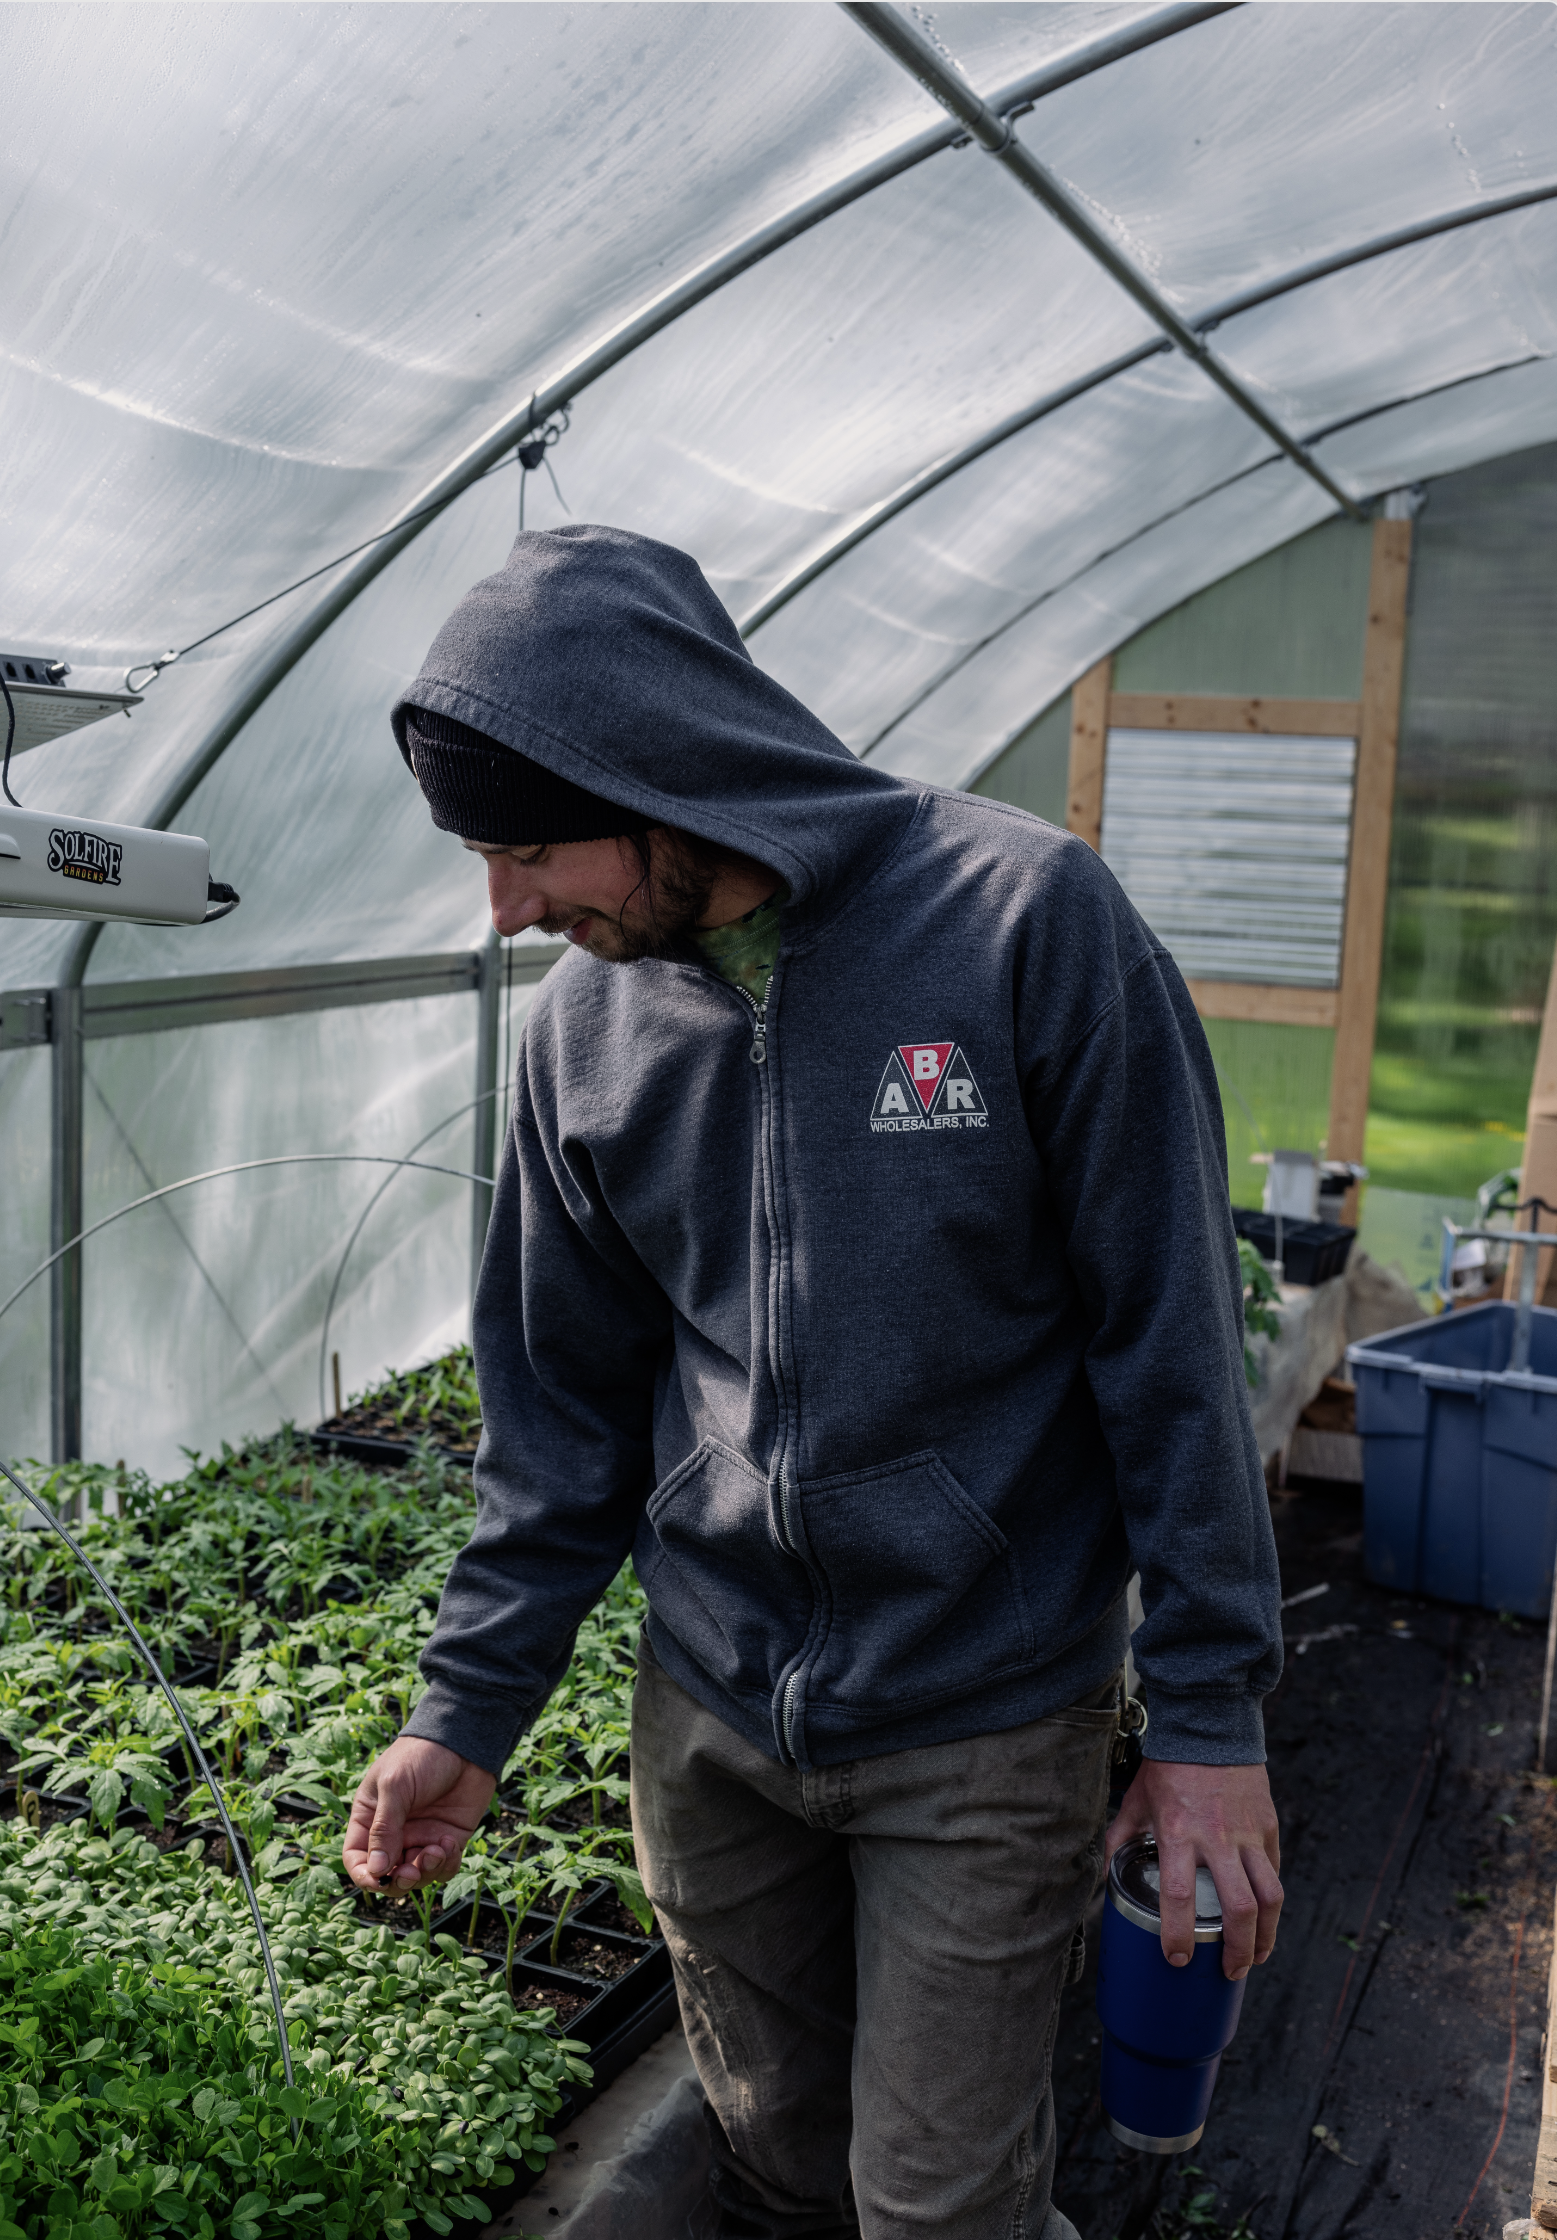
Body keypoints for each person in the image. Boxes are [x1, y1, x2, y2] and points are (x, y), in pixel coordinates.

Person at [344, 524, 1283, 2240]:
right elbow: (557, 1414)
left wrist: (1211, 1722)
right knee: (777, 2164)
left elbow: (1171, 1343)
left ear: (658, 775)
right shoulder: (581, 1034)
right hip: (710, 1715)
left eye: (534, 848)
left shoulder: (1022, 925)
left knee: (936, 2207)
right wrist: (460, 1716)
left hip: (984, 1707)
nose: (511, 906)